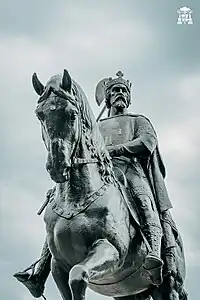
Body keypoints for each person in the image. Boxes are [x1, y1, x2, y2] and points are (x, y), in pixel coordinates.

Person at [14, 71, 178, 297]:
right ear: (108, 98)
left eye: (123, 91)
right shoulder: (96, 125)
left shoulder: (138, 120)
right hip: (98, 171)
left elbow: (147, 142)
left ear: (128, 98)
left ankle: (154, 255)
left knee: (143, 198)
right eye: (114, 91)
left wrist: (115, 150)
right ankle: (41, 270)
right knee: (60, 203)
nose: (119, 94)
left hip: (129, 170)